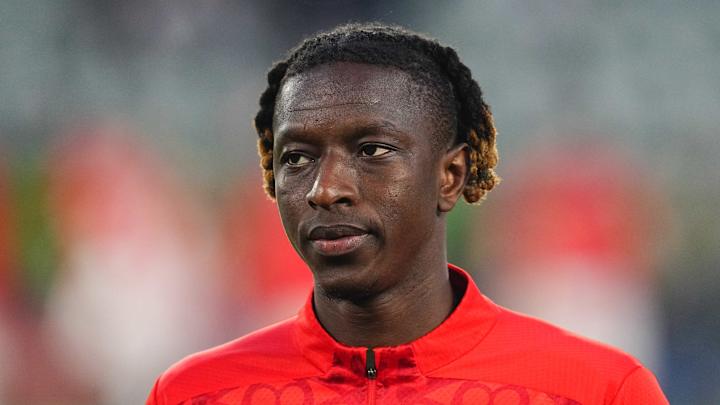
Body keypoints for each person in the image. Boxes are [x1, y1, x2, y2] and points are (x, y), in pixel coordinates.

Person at [147, 22, 668, 404]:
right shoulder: (194, 393)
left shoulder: (599, 389)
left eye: (373, 150)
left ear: (451, 175)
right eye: (297, 158)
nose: (326, 190)